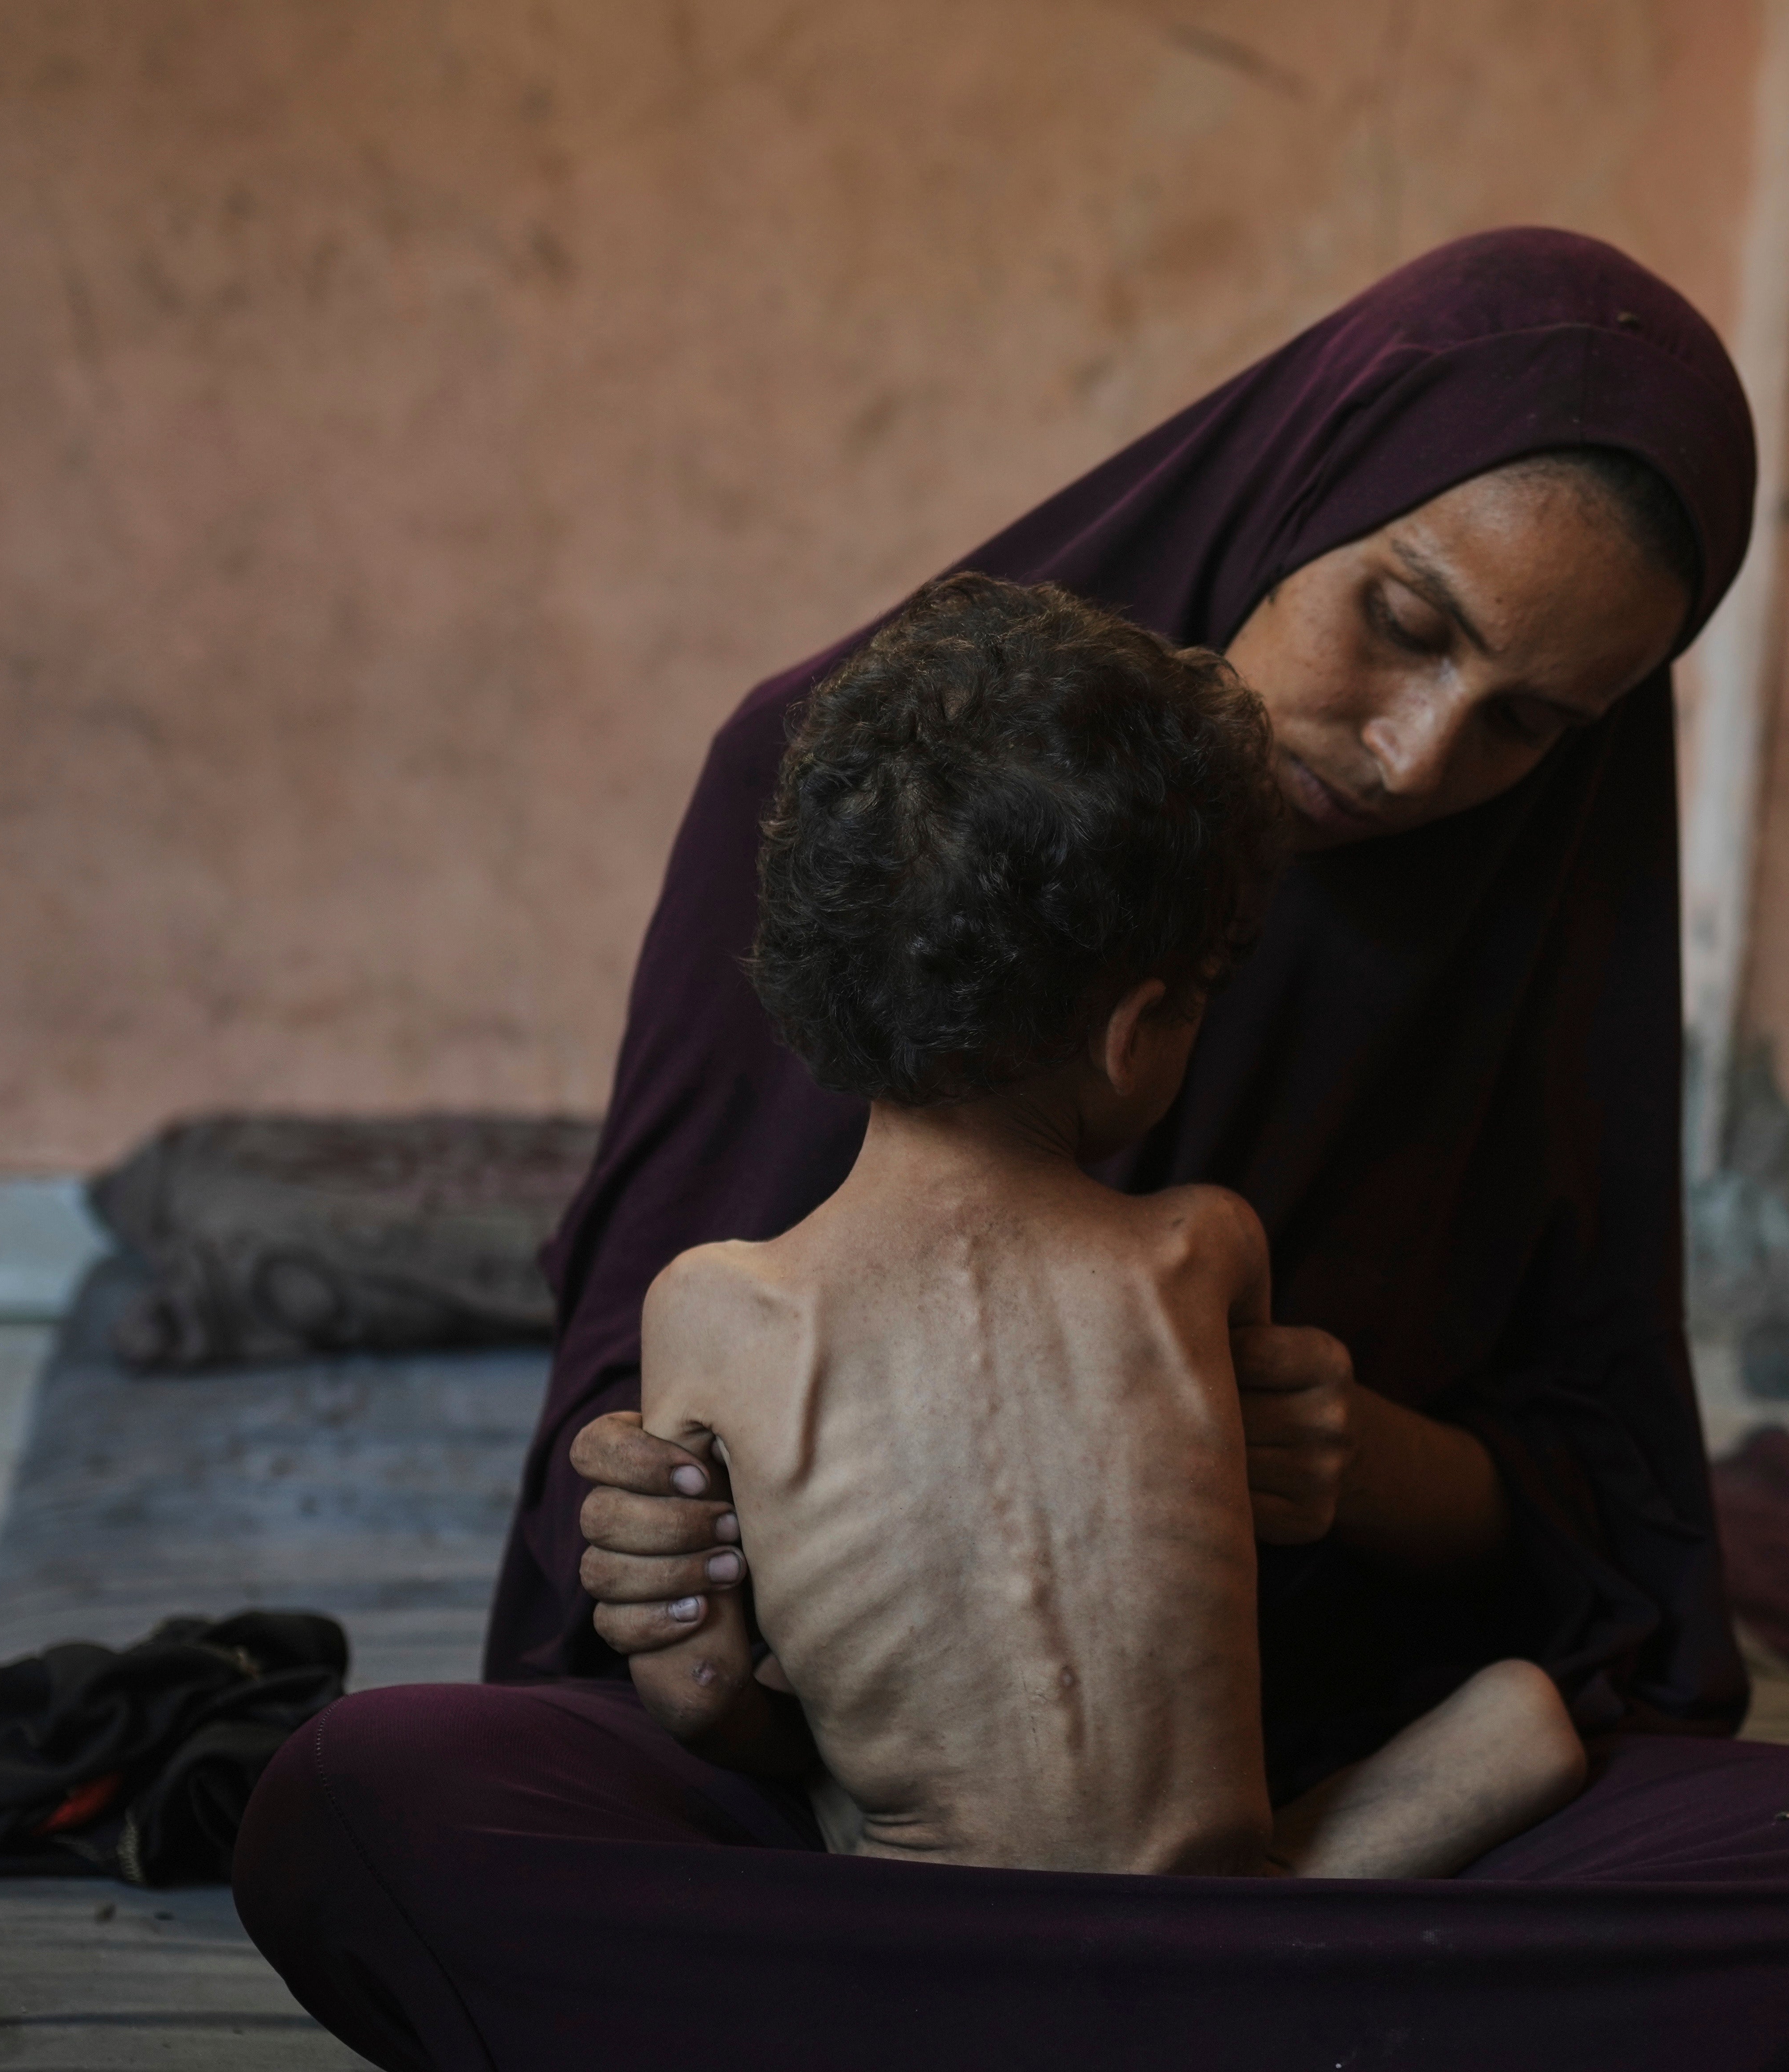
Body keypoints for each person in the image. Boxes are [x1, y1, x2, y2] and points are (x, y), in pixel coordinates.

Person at [235, 231, 1789, 2072]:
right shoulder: (834, 786)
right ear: (1309, 478)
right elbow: (622, 1466)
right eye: (1404, 621)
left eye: (1533, 721)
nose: (1415, 753)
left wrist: (1358, 1463)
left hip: (1288, 1775)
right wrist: (654, 1530)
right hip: (874, 1810)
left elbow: (1613, 1547)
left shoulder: (1527, 928)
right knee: (364, 1816)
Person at [635, 573, 1583, 1879]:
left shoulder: (709, 1308)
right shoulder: (1203, 1252)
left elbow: (696, 1696)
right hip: (1221, 1929)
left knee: (413, 1780)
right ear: (1140, 1031)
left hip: (926, 1953)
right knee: (1530, 1717)